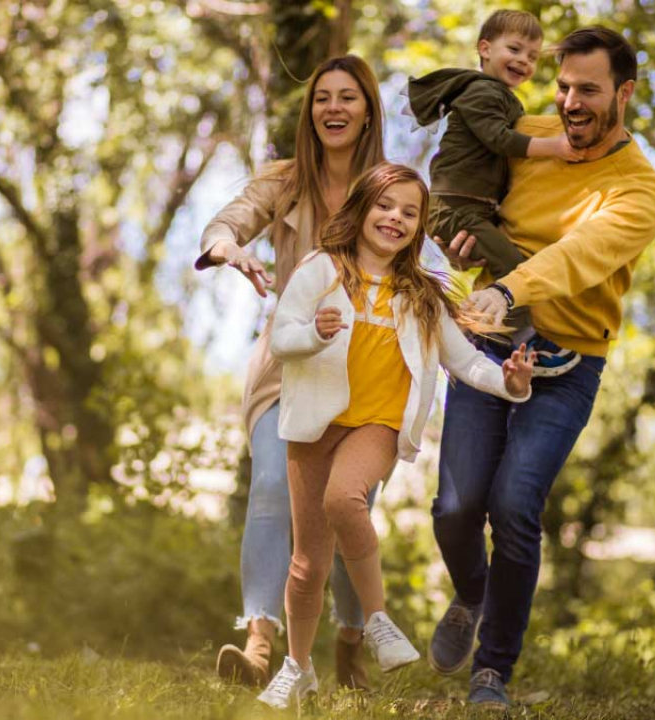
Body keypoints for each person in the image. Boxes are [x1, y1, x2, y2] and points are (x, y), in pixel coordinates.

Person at [426, 27, 655, 708]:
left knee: (513, 505)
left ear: (624, 93)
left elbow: (580, 254)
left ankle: (492, 671)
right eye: (563, 87)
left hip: (568, 363)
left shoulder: (640, 189)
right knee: (454, 507)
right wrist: (459, 230)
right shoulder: (527, 133)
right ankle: (472, 595)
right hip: (489, 343)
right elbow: (458, 184)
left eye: (587, 90)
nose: (569, 103)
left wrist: (507, 288)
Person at [256, 162, 536, 709]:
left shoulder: (424, 296)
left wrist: (509, 383)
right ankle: (297, 666)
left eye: (410, 213)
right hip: (315, 423)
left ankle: (378, 620)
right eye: (386, 206)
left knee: (344, 498)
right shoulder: (321, 270)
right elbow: (282, 338)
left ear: (418, 227)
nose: (396, 219)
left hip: (377, 426)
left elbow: (466, 361)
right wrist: (313, 334)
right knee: (307, 563)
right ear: (362, 208)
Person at [194, 55, 385, 691]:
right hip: (290, 364)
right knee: (274, 486)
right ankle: (258, 646)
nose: (333, 108)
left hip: (366, 372)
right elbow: (227, 220)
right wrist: (228, 246)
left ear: (367, 111)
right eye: (322, 98)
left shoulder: (388, 188)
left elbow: (429, 257)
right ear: (310, 113)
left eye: (347, 98)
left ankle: (350, 643)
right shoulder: (283, 182)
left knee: (347, 504)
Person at [407, 9, 582, 359]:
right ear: (485, 48)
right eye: (514, 49)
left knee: (509, 264)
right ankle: (509, 340)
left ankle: (487, 334)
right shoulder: (481, 91)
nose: (523, 61)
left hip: (468, 208)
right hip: (456, 208)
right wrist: (556, 147)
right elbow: (498, 139)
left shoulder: (498, 94)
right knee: (515, 270)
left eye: (532, 56)